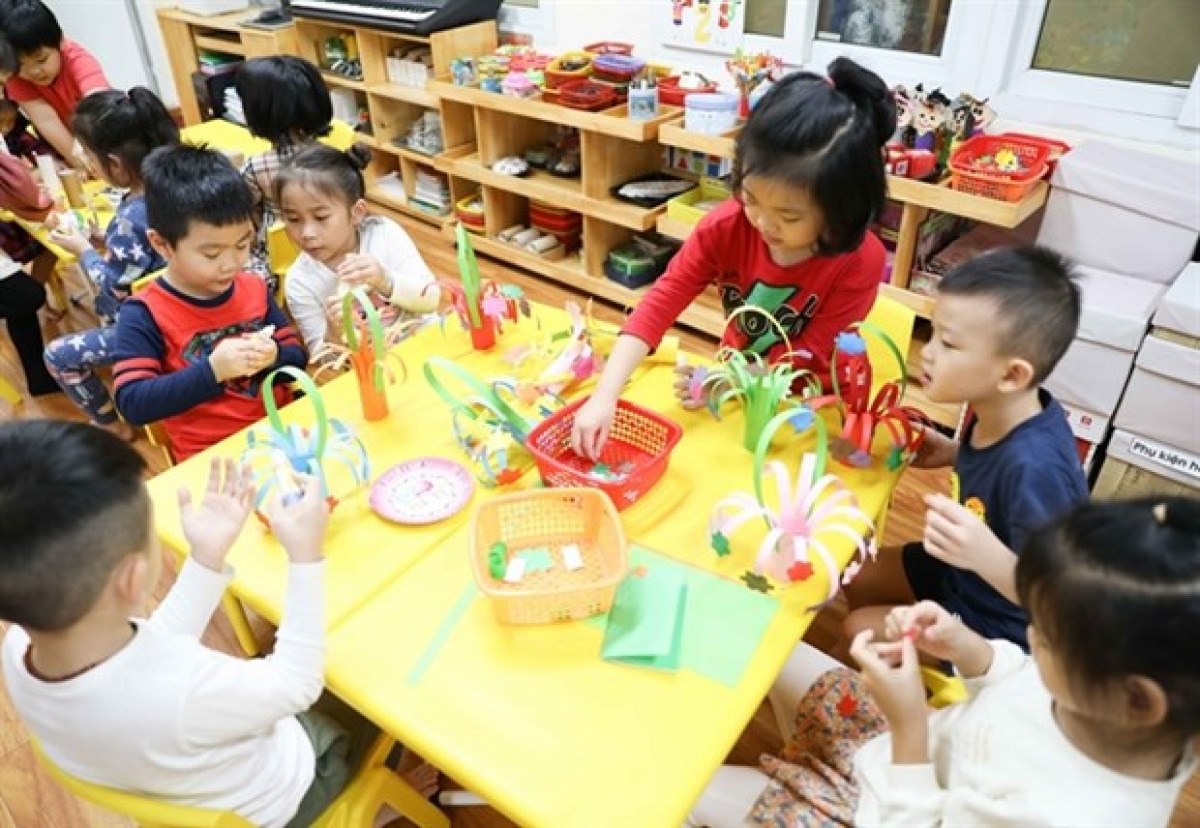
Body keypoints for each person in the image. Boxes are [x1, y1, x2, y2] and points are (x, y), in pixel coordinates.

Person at [688, 498, 1200, 827]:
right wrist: (967, 649)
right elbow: (1020, 679)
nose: (1029, 634)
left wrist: (910, 724)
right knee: (764, 642)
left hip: (885, 805)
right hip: (894, 750)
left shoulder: (1073, 815)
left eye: (1046, 635)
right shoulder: (1112, 699)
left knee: (676, 797)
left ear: (1137, 699)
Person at [0, 420, 348, 826]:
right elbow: (297, 684)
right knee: (371, 687)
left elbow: (149, 654)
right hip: (288, 797)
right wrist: (305, 557)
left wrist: (204, 559)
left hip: (183, 784)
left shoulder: (22, 644)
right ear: (132, 578)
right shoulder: (180, 693)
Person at [571, 56, 895, 460]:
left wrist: (730, 379)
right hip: (738, 386)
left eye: (789, 216)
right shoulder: (726, 226)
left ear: (841, 211)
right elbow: (662, 301)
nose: (763, 223)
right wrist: (605, 395)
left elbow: (810, 353)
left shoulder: (859, 260)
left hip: (811, 408)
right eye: (751, 198)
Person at [841, 246, 1088, 653]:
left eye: (949, 344)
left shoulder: (1037, 469)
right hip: (962, 571)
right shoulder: (1002, 408)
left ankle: (883, 697)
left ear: (1011, 374)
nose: (929, 352)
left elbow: (1057, 602)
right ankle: (881, 672)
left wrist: (984, 554)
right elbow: (999, 461)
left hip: (1001, 623)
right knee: (856, 572)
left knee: (858, 630)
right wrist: (956, 452)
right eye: (933, 333)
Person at [112, 144, 307, 461]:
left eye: (243, 244)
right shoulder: (144, 313)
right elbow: (133, 402)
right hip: (213, 457)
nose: (231, 264)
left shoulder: (253, 287)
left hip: (282, 432)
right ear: (162, 244)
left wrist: (274, 357)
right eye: (211, 254)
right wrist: (212, 371)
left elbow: (296, 357)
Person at [43, 88, 178, 437]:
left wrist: (83, 250)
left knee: (58, 355)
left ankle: (112, 424)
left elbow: (113, 288)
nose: (83, 159)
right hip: (185, 300)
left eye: (88, 155)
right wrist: (104, 243)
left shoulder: (131, 218)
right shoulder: (176, 186)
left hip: (153, 322)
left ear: (114, 164)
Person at [277, 142, 438, 354]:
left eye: (321, 217)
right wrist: (334, 332)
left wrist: (385, 281)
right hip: (374, 373)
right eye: (294, 219)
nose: (307, 232)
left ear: (357, 212)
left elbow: (432, 299)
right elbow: (325, 363)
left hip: (426, 346)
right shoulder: (300, 281)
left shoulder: (385, 234)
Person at [236, 55, 333, 285]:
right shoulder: (331, 158)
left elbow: (246, 218)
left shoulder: (256, 167)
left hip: (279, 258)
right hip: (329, 246)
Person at [0, 0, 110, 166]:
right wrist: (78, 161)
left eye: (41, 60)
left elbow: (97, 104)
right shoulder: (17, 77)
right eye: (21, 65)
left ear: (60, 41)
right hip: (69, 147)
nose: (34, 72)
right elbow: (46, 121)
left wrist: (85, 142)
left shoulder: (77, 59)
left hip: (107, 136)